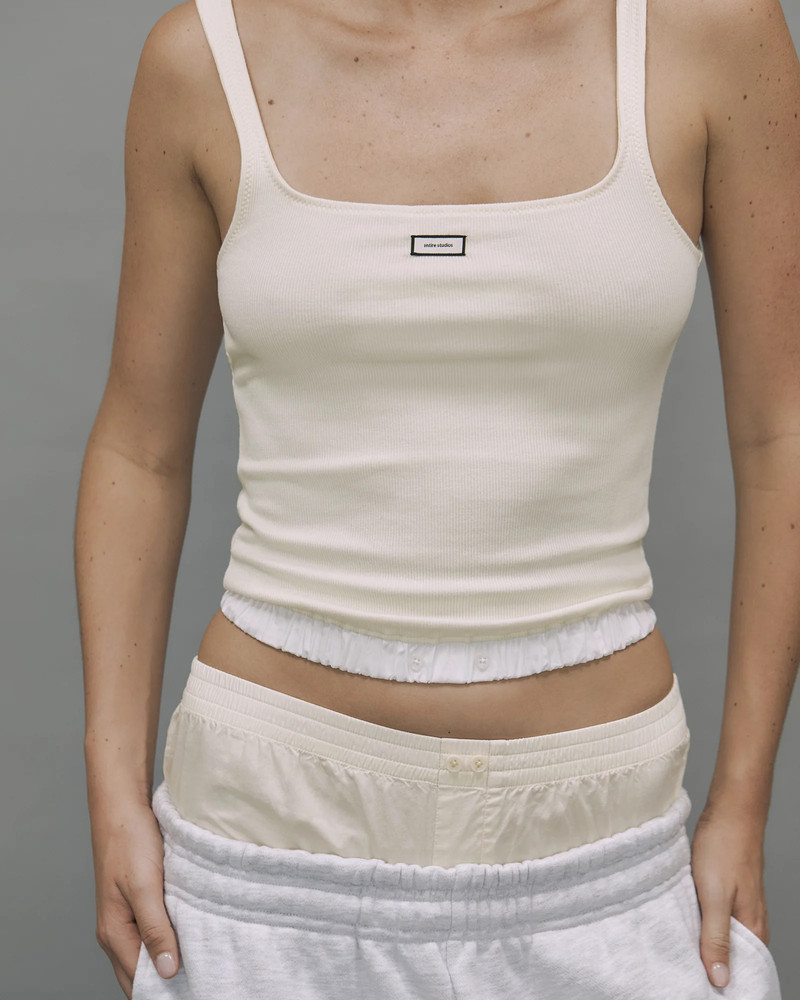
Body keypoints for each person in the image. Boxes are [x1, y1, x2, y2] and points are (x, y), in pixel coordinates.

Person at [75, 0, 798, 996]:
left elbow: (779, 433)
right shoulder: (204, 57)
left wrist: (742, 802)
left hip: (607, 839)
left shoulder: (709, 33)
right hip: (263, 845)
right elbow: (141, 447)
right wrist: (112, 787)